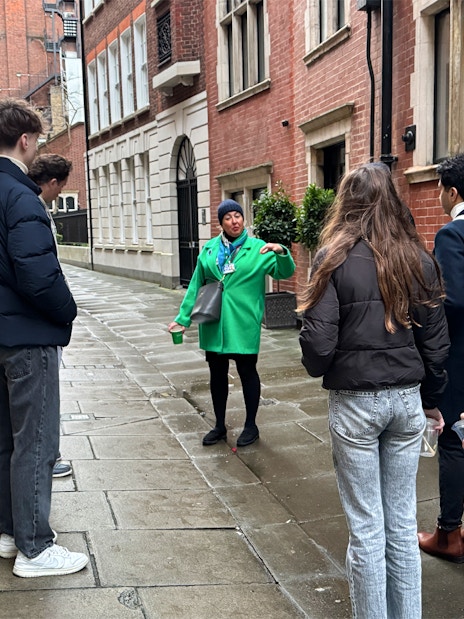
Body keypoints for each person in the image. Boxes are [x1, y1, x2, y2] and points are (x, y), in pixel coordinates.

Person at [298, 162, 449, 619]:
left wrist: (313, 346)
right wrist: (432, 403)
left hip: (356, 405)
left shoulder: (333, 258)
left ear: (348, 203)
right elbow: (436, 345)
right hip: (406, 402)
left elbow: (318, 348)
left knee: (366, 528)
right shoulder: (418, 259)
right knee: (402, 525)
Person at [0, 99, 88, 577]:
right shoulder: (20, 196)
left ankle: (11, 533)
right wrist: (68, 310)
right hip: (27, 338)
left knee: (5, 441)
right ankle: (35, 547)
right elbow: (38, 276)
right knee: (35, 441)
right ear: (26, 140)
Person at [169, 198, 295, 447]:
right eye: (228, 217)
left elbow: (285, 272)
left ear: (243, 219)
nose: (234, 221)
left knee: (247, 372)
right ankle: (219, 425)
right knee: (216, 375)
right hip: (213, 323)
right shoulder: (209, 250)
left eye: (237, 215)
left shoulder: (259, 248)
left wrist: (281, 251)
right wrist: (182, 319)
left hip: (243, 322)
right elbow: (196, 285)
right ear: (221, 223)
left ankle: (251, 425)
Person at [418, 152, 464, 563]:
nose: (438, 196)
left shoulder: (453, 234)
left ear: (452, 191)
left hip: (462, 359)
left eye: (439, 189)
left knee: (453, 441)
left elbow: (454, 300)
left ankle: (449, 535)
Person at [28, 153, 74, 479]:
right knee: (44, 396)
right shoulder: (31, 206)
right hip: (37, 324)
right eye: (61, 188)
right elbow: (40, 271)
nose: (60, 194)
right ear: (53, 182)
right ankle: (49, 458)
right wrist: (66, 311)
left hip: (31, 323)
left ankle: (48, 455)